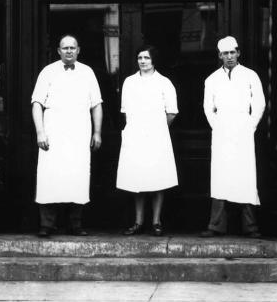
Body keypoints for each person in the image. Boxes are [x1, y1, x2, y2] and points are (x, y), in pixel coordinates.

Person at [30, 34, 103, 237]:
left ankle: (75, 224)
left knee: (77, 175)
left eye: (72, 47)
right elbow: (37, 103)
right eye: (65, 48)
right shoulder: (48, 72)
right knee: (49, 176)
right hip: (53, 132)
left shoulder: (87, 72)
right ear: (59, 51)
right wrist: (40, 132)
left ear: (78, 50)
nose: (69, 51)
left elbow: (96, 104)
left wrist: (97, 132)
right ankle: (47, 224)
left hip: (79, 132)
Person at [200, 35, 265, 239]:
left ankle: (250, 226)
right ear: (220, 55)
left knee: (245, 175)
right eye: (225, 53)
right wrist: (217, 126)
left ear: (238, 53)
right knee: (220, 176)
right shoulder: (211, 79)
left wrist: (250, 125)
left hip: (243, 130)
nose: (229, 56)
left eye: (232, 52)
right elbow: (208, 108)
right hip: (222, 131)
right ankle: (216, 224)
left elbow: (260, 104)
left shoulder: (250, 76)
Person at [116, 45, 179, 237]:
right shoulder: (129, 82)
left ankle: (156, 221)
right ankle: (138, 221)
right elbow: (126, 111)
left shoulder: (164, 83)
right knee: (137, 180)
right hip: (135, 136)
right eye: (140, 58)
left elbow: (171, 112)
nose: (143, 61)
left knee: (158, 179)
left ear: (154, 60)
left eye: (147, 58)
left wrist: (157, 128)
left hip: (157, 137)